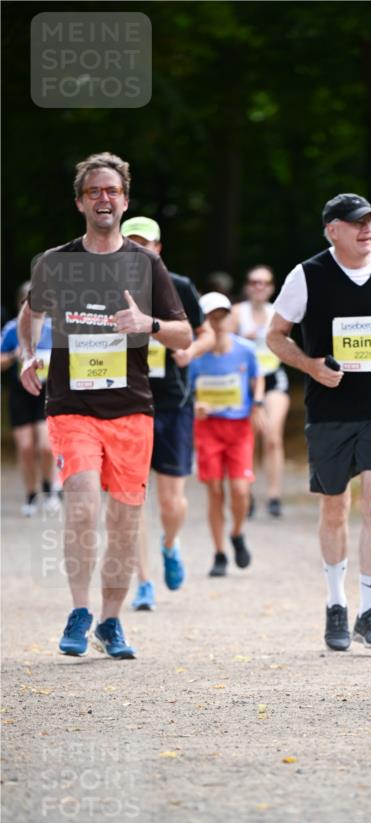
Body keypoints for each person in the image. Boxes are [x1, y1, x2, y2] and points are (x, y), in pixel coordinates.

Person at [18, 151, 191, 658]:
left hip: (132, 408)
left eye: (112, 190)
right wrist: (29, 354)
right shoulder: (56, 262)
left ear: (125, 201)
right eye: (94, 191)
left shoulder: (146, 264)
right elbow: (30, 312)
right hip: (71, 405)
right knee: (83, 502)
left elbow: (183, 335)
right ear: (80, 202)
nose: (103, 198)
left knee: (124, 520)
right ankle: (79, 610)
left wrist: (148, 325)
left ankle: (111, 622)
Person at [267, 192, 371, 651]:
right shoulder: (306, 275)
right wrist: (309, 365)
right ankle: (336, 604)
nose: (367, 228)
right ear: (332, 230)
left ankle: (369, 611)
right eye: (356, 222)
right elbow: (275, 336)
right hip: (329, 409)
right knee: (335, 508)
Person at [118, 216, 216, 612]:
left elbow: (207, 334)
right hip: (127, 403)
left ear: (158, 249)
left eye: (145, 244)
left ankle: (170, 544)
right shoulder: (107, 288)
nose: (138, 251)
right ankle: (144, 582)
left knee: (172, 502)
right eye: (131, 244)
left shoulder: (179, 286)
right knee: (132, 499)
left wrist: (190, 352)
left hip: (174, 403)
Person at [191, 292, 265, 577]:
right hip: (208, 427)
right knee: (214, 490)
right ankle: (219, 552)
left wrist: (257, 402)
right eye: (211, 317)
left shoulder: (245, 349)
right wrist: (195, 406)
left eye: (222, 316)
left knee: (240, 489)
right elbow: (186, 391)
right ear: (203, 322)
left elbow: (257, 377)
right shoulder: (196, 354)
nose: (218, 322)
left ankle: (236, 532)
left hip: (239, 427)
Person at [227, 265, 289, 517]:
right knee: (249, 437)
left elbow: (289, 346)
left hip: (273, 377)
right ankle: (247, 493)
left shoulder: (279, 313)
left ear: (272, 287)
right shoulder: (236, 313)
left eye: (264, 282)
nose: (259, 287)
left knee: (272, 436)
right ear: (247, 286)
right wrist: (245, 340)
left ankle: (274, 495)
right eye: (254, 282)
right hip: (245, 381)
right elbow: (223, 346)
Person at [1, 281, 59, 515]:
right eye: (26, 302)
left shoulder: (53, 328)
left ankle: (49, 489)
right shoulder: (12, 329)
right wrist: (13, 356)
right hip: (21, 394)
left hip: (46, 392)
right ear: (19, 304)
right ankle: (31, 495)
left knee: (45, 446)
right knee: (25, 447)